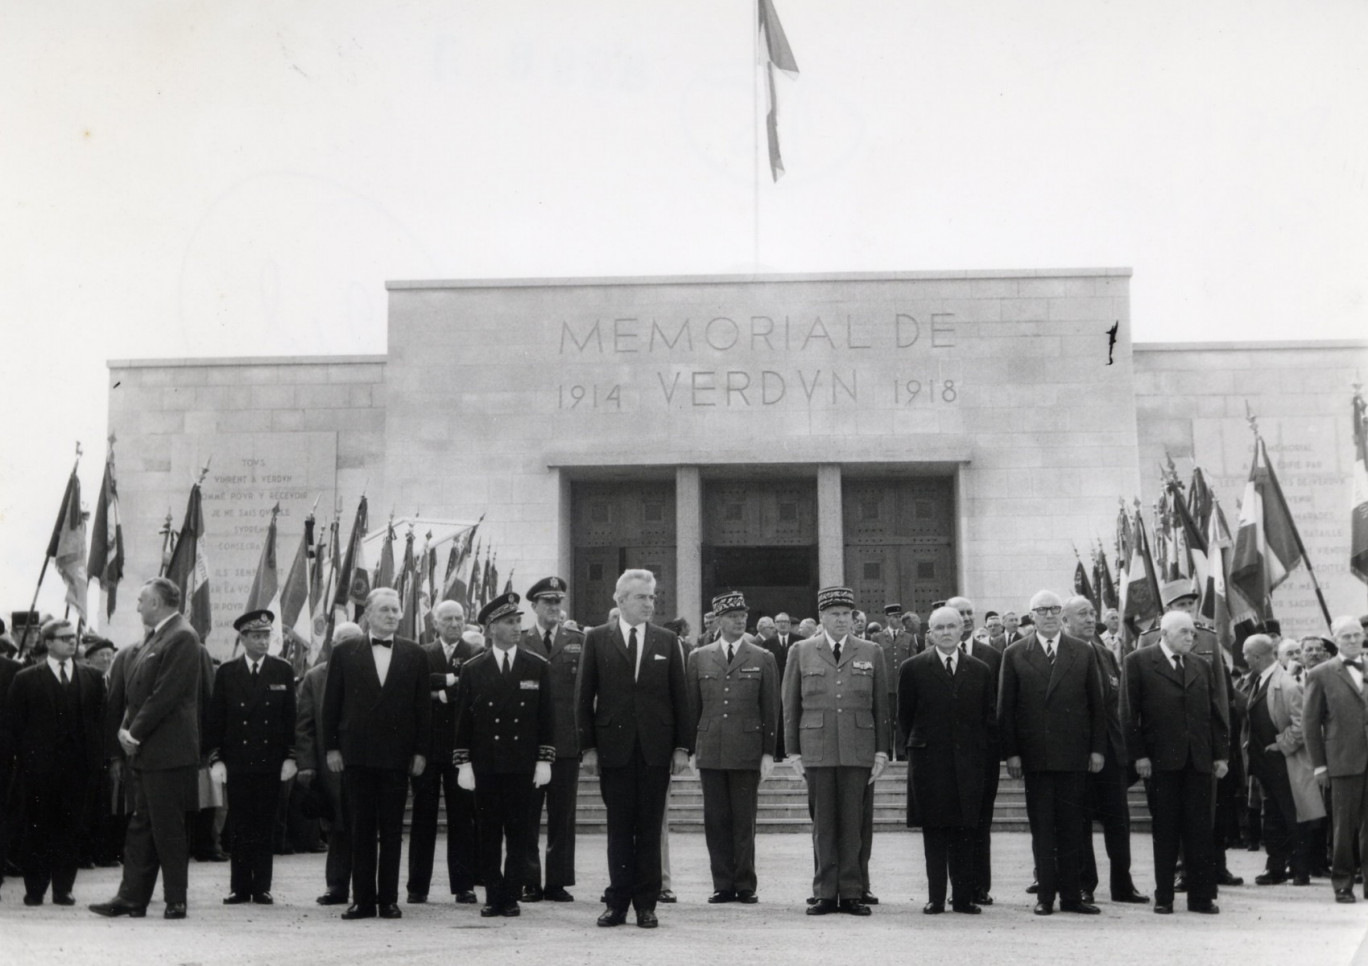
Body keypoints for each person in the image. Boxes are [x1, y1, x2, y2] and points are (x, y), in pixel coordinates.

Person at [576, 569, 690, 929]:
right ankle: (618, 902)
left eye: (652, 597)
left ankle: (646, 903)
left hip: (655, 750)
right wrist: (589, 748)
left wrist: (682, 748)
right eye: (641, 597)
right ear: (620, 600)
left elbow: (681, 700)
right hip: (614, 750)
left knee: (650, 826)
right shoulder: (595, 638)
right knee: (619, 827)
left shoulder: (667, 641)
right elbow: (583, 698)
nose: (649, 604)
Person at [90, 578, 206, 920]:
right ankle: (131, 898)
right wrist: (126, 733)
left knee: (167, 827)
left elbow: (165, 695)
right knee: (142, 824)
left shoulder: (183, 636)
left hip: (167, 752)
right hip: (148, 750)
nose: (138, 606)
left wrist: (132, 733)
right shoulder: (154, 639)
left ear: (157, 603)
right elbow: (136, 694)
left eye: (142, 600)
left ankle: (175, 899)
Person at [322, 587, 431, 921]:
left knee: (393, 830)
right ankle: (363, 900)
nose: (392, 615)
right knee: (360, 828)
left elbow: (422, 708)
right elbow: (331, 704)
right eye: (384, 609)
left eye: (396, 610)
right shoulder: (344, 651)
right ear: (367, 614)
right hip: (356, 755)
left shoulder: (415, 653)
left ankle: (389, 899)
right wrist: (331, 748)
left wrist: (420, 752)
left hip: (397, 757)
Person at [998, 589, 1106, 916]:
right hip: (1036, 756)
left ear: (1061, 615)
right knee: (1043, 828)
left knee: (1073, 826)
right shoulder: (1015, 653)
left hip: (1074, 754)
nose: (1049, 615)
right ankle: (1045, 895)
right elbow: (1007, 708)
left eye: (1054, 609)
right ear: (1031, 616)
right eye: (1042, 610)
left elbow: (1097, 706)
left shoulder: (1083, 651)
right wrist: (1011, 754)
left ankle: (1073, 896)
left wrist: (1097, 750)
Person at [783, 586, 889, 917]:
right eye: (835, 615)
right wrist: (793, 752)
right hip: (817, 748)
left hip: (859, 749)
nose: (842, 620)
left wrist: (882, 751)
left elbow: (881, 706)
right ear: (822, 618)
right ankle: (825, 893)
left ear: (854, 618)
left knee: (854, 824)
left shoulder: (871, 651)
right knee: (823, 824)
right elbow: (790, 705)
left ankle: (853, 892)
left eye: (847, 614)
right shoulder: (801, 650)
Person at [454, 592, 555, 918]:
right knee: (488, 833)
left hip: (520, 765)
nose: (516, 628)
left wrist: (544, 759)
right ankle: (492, 895)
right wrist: (464, 762)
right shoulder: (473, 668)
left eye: (518, 622)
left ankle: (509, 895)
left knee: (519, 833)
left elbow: (546, 718)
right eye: (509, 622)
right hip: (486, 765)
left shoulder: (536, 666)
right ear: (491, 628)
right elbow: (463, 720)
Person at [1123, 611, 1229, 915]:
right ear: (1165, 633)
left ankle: (1201, 897)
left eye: (1193, 633)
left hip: (1198, 760)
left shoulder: (1201, 664)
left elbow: (1215, 713)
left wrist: (1221, 755)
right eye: (1184, 632)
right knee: (1166, 830)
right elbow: (1129, 715)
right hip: (1160, 762)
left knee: (1200, 831)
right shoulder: (1139, 661)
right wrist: (1139, 755)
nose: (1191, 638)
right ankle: (1164, 897)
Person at [899, 606, 995, 914]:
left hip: (968, 764)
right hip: (930, 763)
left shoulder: (980, 669)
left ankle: (964, 898)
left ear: (962, 629)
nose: (946, 633)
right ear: (930, 633)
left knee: (965, 831)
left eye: (951, 626)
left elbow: (987, 718)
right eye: (939, 628)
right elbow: (905, 717)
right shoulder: (913, 668)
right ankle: (936, 897)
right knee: (935, 832)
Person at [686, 591, 778, 904]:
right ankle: (722, 883)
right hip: (710, 748)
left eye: (742, 615)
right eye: (732, 616)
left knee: (744, 820)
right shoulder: (699, 657)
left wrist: (768, 751)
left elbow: (770, 709)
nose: (739, 620)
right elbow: (691, 707)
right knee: (716, 820)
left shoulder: (762, 657)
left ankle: (745, 884)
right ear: (718, 621)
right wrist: (690, 749)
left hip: (747, 748)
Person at [4, 619, 104, 906]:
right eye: (64, 638)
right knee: (37, 829)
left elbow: (98, 723)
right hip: (38, 771)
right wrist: (20, 764)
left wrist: (95, 764)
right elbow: (14, 725)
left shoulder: (91, 678)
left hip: (77, 770)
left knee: (70, 829)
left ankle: (63, 889)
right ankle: (35, 889)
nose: (72, 642)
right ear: (48, 643)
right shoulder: (26, 679)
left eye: (74, 637)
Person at [202, 610, 297, 906]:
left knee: (265, 826)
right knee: (240, 825)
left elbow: (289, 719)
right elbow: (215, 719)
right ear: (243, 638)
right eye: (256, 636)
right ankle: (239, 887)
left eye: (266, 635)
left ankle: (262, 887)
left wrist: (290, 757)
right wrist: (215, 759)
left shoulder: (282, 670)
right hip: (239, 762)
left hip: (270, 762)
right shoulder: (227, 672)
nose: (262, 641)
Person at [1061, 596, 1148, 905]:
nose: (1089, 619)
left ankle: (1122, 884)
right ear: (1065, 621)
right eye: (1082, 614)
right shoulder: (1061, 655)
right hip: (1078, 753)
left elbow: (1116, 706)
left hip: (1110, 751)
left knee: (1118, 821)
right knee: (1080, 822)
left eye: (1091, 613)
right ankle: (1085, 884)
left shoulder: (1105, 655)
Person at [407, 599, 480, 905]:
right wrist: (450, 684)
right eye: (447, 619)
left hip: (462, 749)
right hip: (427, 747)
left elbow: (475, 689)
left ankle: (463, 885)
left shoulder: (476, 653)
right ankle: (417, 887)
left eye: (459, 618)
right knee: (422, 819)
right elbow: (413, 689)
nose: (454, 624)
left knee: (462, 819)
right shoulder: (421, 653)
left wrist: (436, 693)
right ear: (434, 623)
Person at [519, 576, 584, 903]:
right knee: (527, 815)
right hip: (527, 745)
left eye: (558, 602)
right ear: (534, 607)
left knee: (563, 816)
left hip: (566, 743)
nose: (554, 608)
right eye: (548, 603)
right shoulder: (521, 641)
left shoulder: (578, 640)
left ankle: (557, 881)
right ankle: (529, 879)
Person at [1241, 633, 1323, 887]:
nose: (1244, 660)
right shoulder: (1259, 680)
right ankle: (1275, 867)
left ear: (1256, 657)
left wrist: (1281, 744)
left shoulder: (1286, 685)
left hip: (1284, 763)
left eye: (1246, 655)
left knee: (1293, 816)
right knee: (1274, 818)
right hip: (1267, 765)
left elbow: (1302, 725)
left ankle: (1300, 870)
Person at [1302, 616, 1368, 903]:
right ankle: (1342, 883)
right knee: (1343, 826)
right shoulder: (1321, 673)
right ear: (1335, 638)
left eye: (1357, 635)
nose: (1353, 640)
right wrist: (1319, 765)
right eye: (1346, 636)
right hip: (1342, 761)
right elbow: (1309, 723)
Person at [295, 621, 361, 906]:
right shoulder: (316, 677)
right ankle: (336, 886)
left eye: (355, 641)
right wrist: (307, 764)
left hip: (365, 762)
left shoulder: (372, 673)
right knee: (338, 827)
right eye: (344, 640)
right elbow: (305, 725)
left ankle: (365, 888)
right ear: (334, 644)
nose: (349, 646)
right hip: (330, 765)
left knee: (364, 827)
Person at [956, 599, 1003, 906]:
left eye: (970, 613)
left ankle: (980, 887)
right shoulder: (929, 658)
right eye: (960, 614)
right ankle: (958, 886)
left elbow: (1000, 704)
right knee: (955, 822)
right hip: (950, 756)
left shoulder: (992, 656)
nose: (967, 618)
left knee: (981, 822)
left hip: (983, 753)